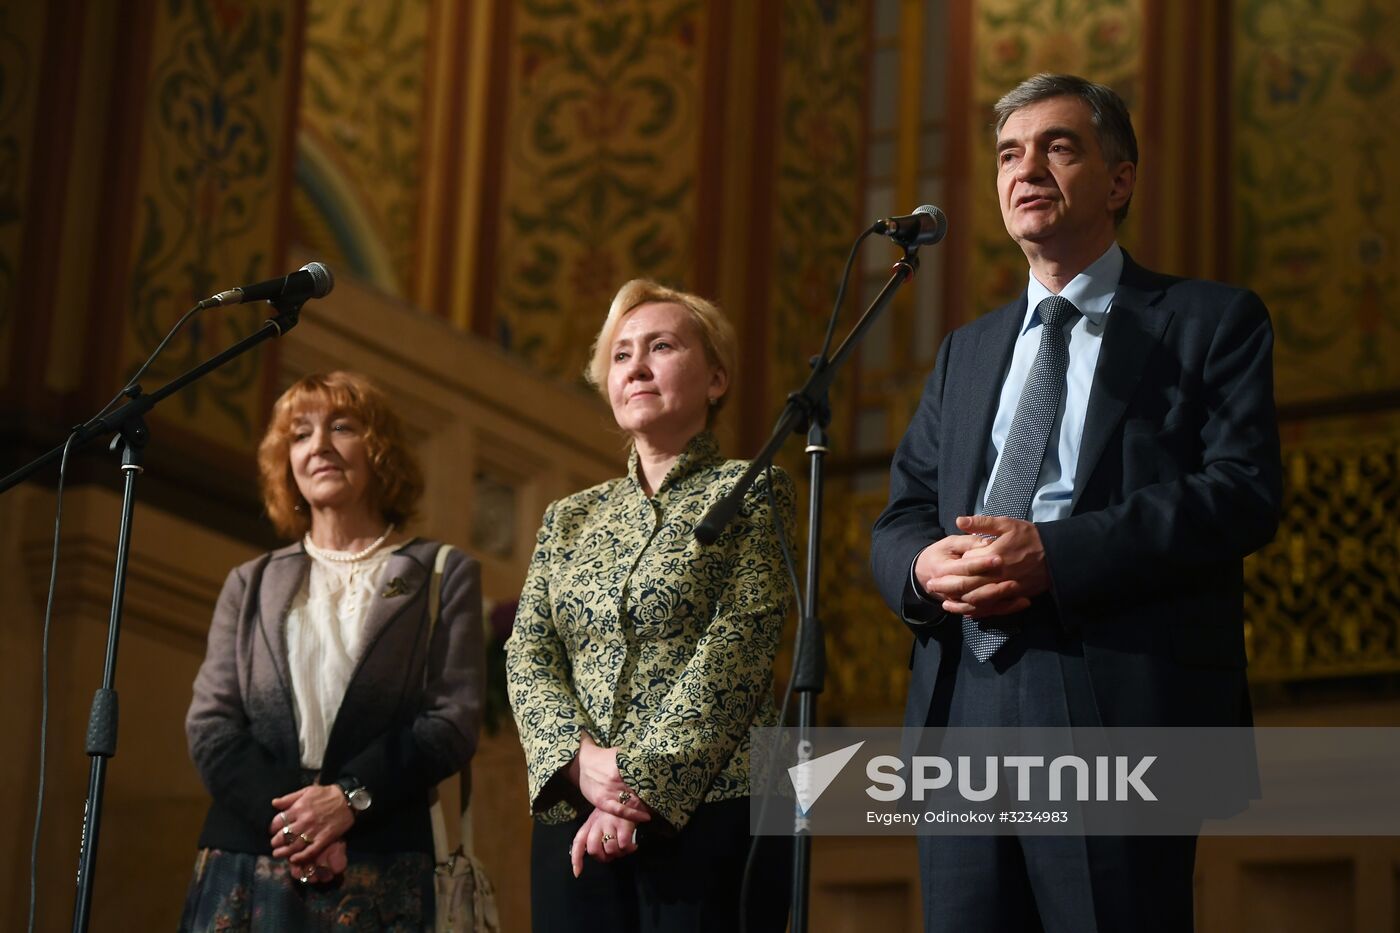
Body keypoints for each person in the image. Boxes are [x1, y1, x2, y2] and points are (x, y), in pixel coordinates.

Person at [870, 74, 1282, 932]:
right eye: (1009, 154)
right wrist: (920, 564)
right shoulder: (965, 351)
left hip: (1115, 691)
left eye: (1059, 147)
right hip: (966, 695)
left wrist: (1056, 553)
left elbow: (1241, 492)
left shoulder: (1210, 321)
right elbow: (903, 509)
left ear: (1119, 179)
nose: (1028, 170)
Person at [506, 279, 794, 932]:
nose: (635, 365)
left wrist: (635, 788)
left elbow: (739, 646)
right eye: (620, 354)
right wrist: (579, 760)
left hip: (715, 807)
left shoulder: (755, 487)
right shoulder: (567, 517)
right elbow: (528, 650)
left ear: (716, 378)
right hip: (572, 808)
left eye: (660, 346)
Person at [180, 371, 484, 931]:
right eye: (300, 434)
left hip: (383, 862)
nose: (318, 446)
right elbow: (211, 728)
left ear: (379, 450)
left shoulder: (443, 573)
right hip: (249, 861)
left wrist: (347, 800)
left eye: (341, 427)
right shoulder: (249, 583)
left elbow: (452, 721)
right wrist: (301, 827)